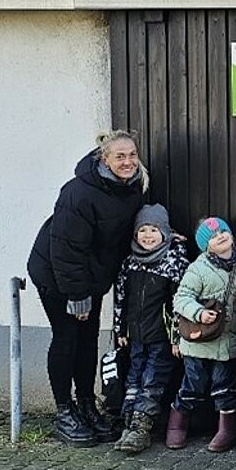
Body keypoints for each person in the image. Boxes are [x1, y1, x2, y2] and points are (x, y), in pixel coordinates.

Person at [27, 130, 147, 445]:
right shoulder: (78, 192)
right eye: (119, 156)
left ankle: (85, 404)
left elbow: (124, 230)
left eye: (132, 155)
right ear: (103, 159)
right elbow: (66, 249)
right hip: (56, 274)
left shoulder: (133, 188)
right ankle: (64, 411)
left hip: (91, 277)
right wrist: (77, 295)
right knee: (67, 338)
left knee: (88, 340)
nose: (128, 162)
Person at [167, 217, 236, 452]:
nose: (220, 237)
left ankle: (227, 429)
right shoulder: (199, 268)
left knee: (224, 385)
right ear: (205, 245)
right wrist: (199, 313)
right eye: (213, 237)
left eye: (223, 232)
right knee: (193, 383)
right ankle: (177, 423)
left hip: (228, 339)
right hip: (198, 339)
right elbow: (181, 298)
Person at [111, 204, 188, 454]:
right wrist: (119, 329)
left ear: (164, 232)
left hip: (161, 337)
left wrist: (177, 337)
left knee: (152, 380)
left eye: (153, 230)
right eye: (142, 230)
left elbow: (180, 302)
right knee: (133, 378)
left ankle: (142, 427)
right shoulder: (130, 262)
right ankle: (129, 423)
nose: (147, 236)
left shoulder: (173, 261)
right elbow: (121, 298)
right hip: (135, 336)